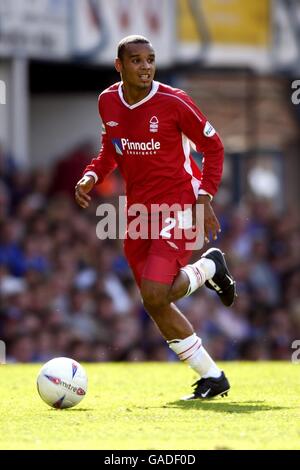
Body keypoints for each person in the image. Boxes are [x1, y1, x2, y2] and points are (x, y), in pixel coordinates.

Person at [75, 35, 236, 400]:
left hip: (180, 203)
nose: (145, 66)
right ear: (120, 65)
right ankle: (212, 376)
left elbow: (214, 146)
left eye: (150, 59)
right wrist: (91, 175)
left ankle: (210, 268)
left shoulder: (174, 101)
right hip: (138, 212)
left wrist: (204, 197)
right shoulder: (106, 102)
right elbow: (111, 150)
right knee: (154, 301)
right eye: (136, 60)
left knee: (154, 291)